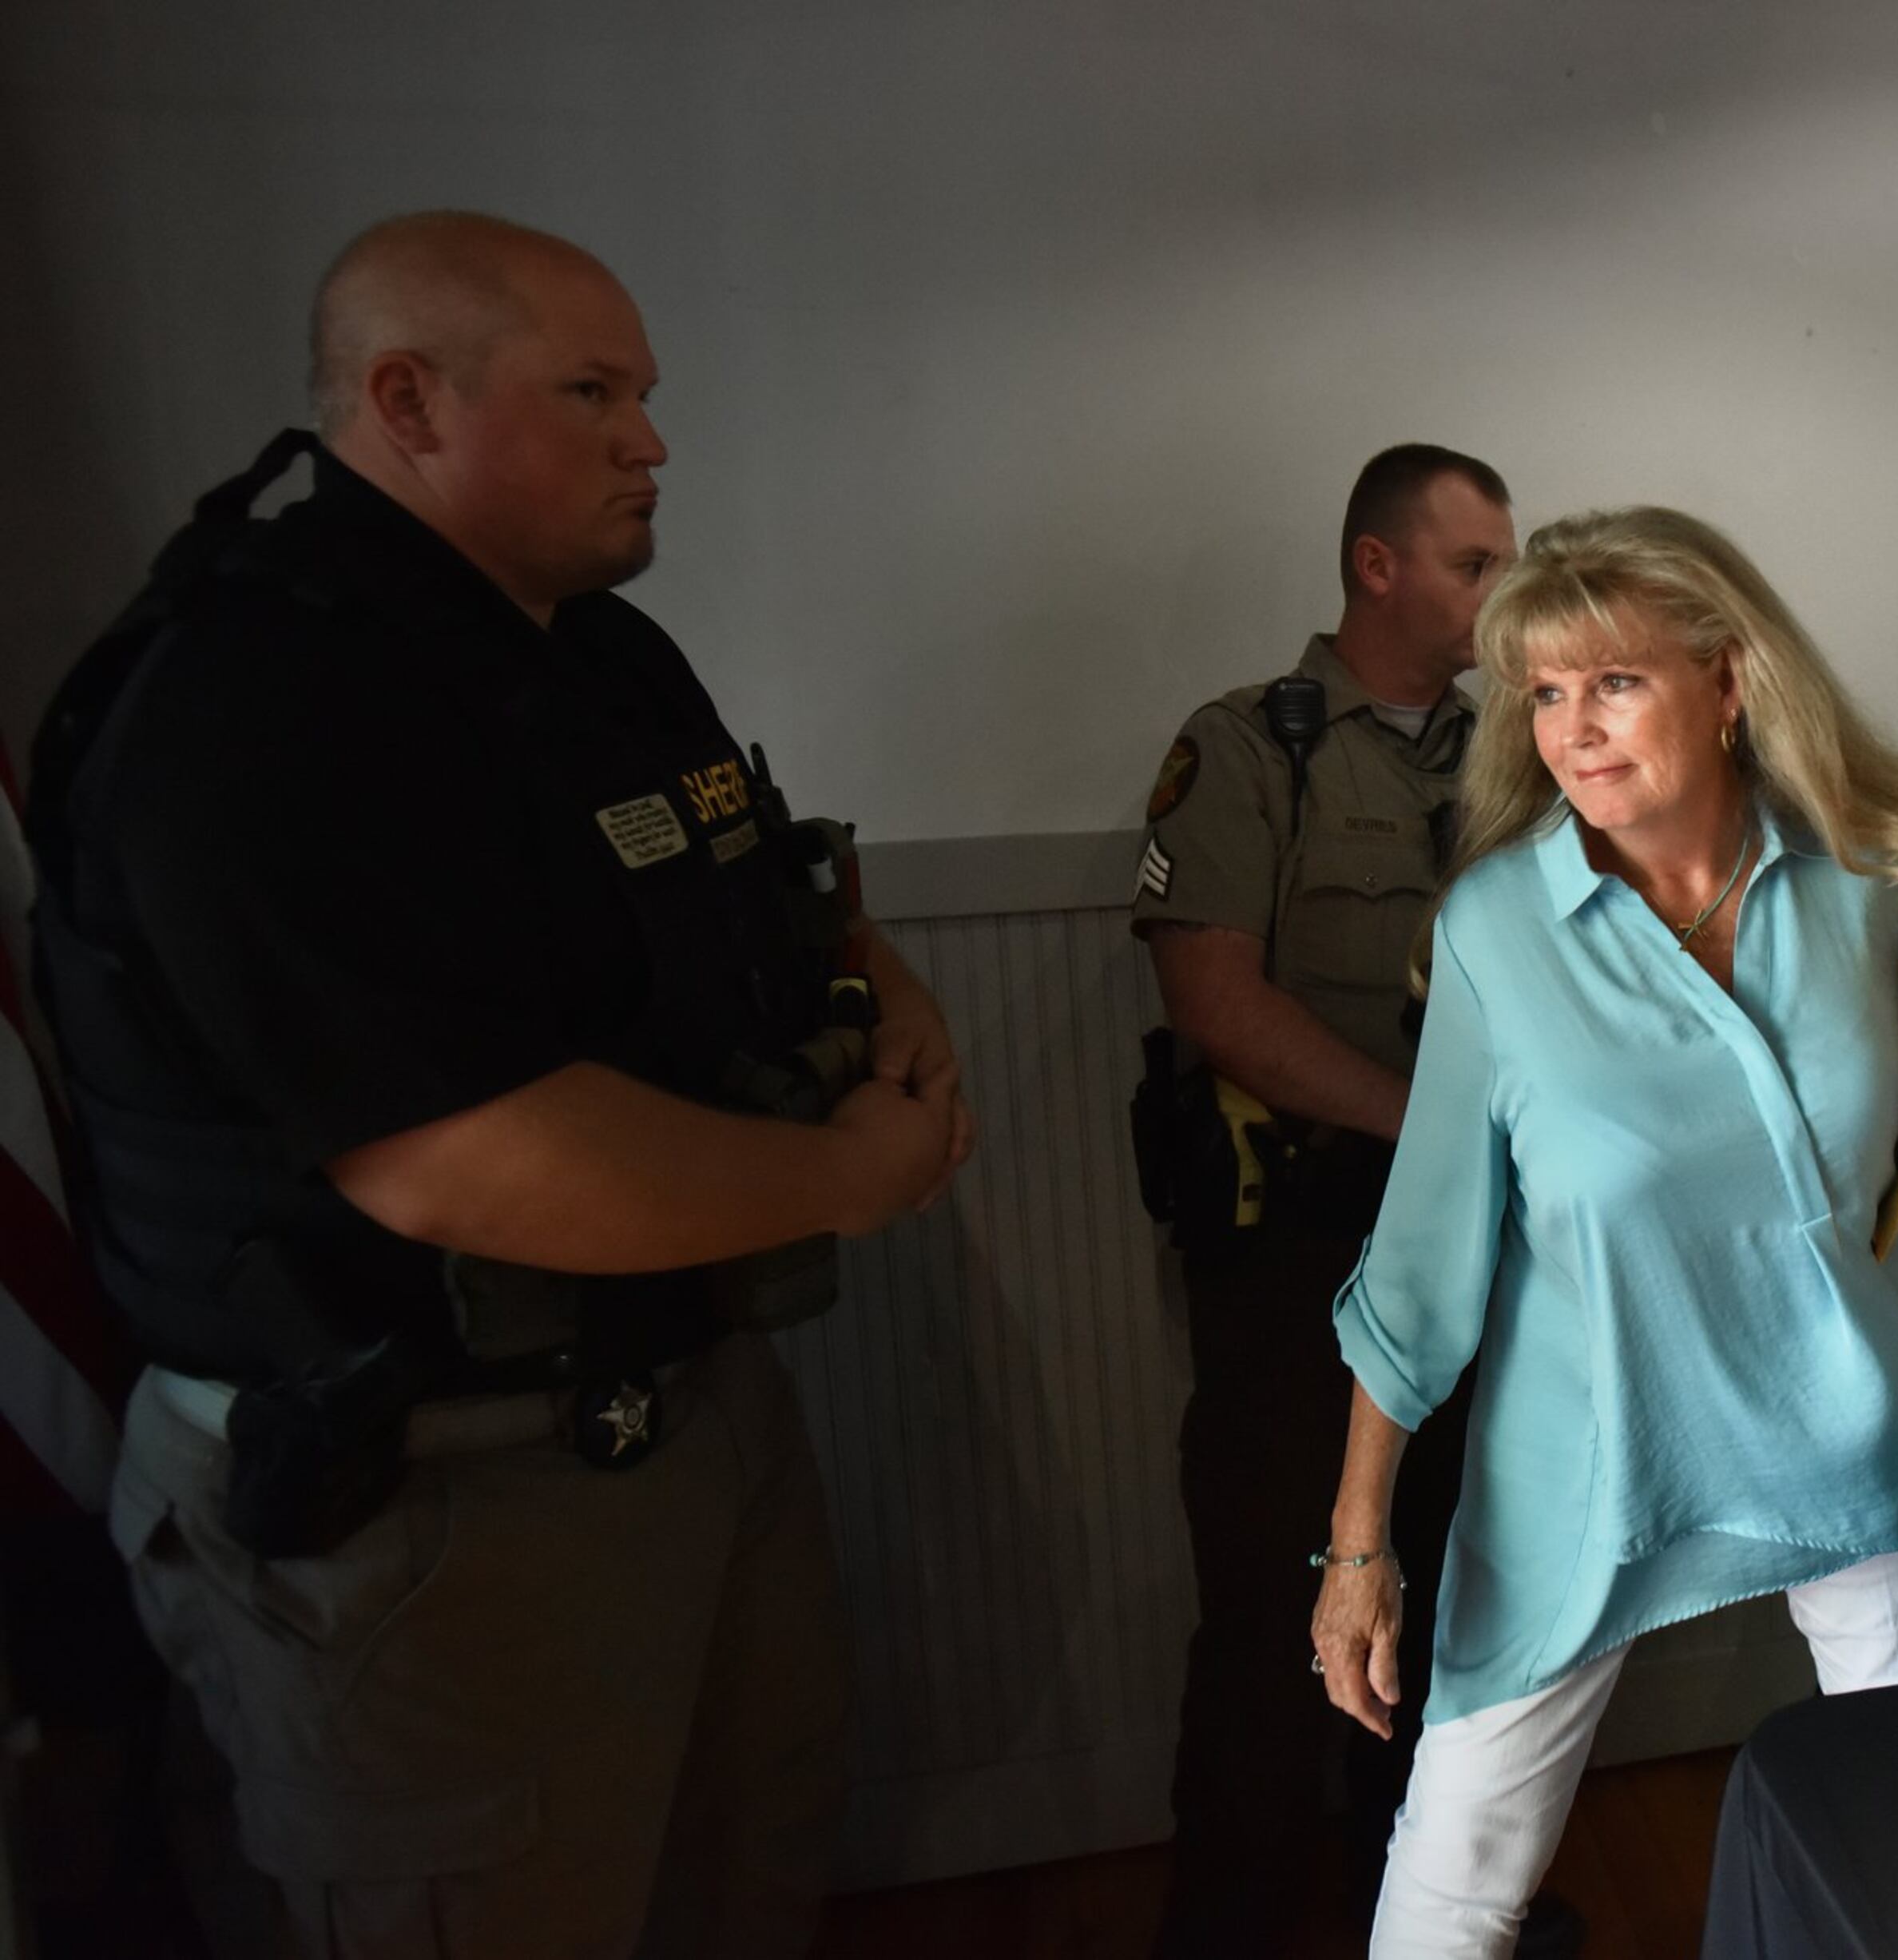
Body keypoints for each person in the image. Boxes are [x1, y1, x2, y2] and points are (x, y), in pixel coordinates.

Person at [28, 212, 971, 1958]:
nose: (652, 436)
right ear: (409, 399)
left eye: (646, 391)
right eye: (593, 390)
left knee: (742, 1864)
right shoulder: (256, 696)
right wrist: (859, 1173)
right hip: (427, 1486)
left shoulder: (594, 653)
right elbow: (457, 1153)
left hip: (678, 1403)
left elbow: (763, 884)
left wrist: (871, 982)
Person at [1310, 506, 1898, 1957]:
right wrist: (1356, 1544)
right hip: (1592, 1442)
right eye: (1547, 692)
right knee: (1449, 1886)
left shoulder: (1862, 880)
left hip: (1847, 1405)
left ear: (1729, 680)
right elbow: (1421, 1269)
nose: (1576, 729)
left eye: (1617, 681)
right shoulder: (1497, 931)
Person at [1130, 444, 1520, 1950]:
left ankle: (1414, 1905)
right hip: (1303, 1248)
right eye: (1474, 561)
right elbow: (1217, 997)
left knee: (1453, 1588)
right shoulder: (1249, 748)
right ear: (1378, 565)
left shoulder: (1510, 756)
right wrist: (1428, 1128)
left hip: (1476, 1243)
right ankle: (1229, 1928)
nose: (1501, 588)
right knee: (1275, 1610)